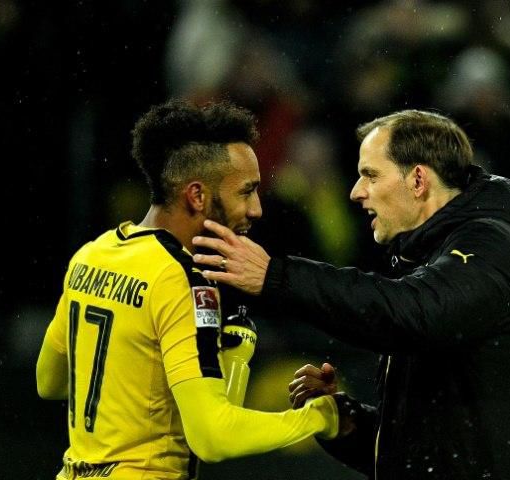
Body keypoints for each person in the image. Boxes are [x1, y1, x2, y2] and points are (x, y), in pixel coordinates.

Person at [192, 110, 510, 479]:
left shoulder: (492, 245)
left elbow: (413, 313)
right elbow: (423, 452)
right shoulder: (430, 260)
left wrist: (278, 277)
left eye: (370, 175)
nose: (356, 191)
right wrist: (347, 422)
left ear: (417, 180)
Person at [35, 99, 339, 480]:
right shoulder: (182, 280)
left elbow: (50, 382)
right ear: (196, 196)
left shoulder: (91, 256)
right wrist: (320, 418)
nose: (257, 208)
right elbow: (213, 438)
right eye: (246, 192)